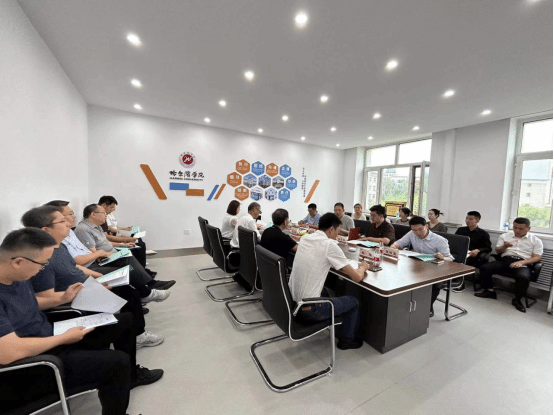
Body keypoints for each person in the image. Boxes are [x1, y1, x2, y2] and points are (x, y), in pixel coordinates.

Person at [0, 228, 163, 415]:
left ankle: (131, 377)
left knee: (123, 321)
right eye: (42, 265)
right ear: (18, 262)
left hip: (49, 335)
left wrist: (63, 298)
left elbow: (30, 302)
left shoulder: (16, 276)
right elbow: (7, 353)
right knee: (118, 362)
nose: (41, 270)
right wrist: (63, 338)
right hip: (32, 364)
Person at [21, 206, 164, 349]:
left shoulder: (59, 247)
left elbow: (75, 266)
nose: (69, 223)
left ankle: (138, 334)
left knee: (128, 290)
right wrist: (83, 290)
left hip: (87, 287)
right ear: (46, 230)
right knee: (126, 298)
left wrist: (97, 276)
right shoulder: (41, 259)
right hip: (77, 299)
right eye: (62, 221)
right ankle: (135, 331)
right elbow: (47, 298)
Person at [289, 213, 370, 350]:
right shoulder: (329, 245)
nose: (338, 235)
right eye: (338, 231)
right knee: (353, 302)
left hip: (293, 304)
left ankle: (335, 321)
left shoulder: (305, 238)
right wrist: (363, 267)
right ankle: (347, 340)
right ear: (331, 229)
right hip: (309, 311)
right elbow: (357, 277)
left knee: (326, 291)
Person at [73, 204, 172, 303]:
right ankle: (149, 287)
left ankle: (146, 289)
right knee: (128, 262)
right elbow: (93, 252)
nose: (106, 215)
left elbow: (106, 243)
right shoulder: (83, 229)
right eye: (103, 213)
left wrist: (123, 244)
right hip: (101, 259)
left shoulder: (96, 226)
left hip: (110, 253)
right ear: (93, 214)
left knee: (129, 258)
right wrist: (107, 254)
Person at [474, 217, 543, 313]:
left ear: (529, 228)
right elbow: (498, 251)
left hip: (522, 262)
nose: (517, 230)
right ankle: (489, 291)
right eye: (515, 227)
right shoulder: (505, 236)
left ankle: (517, 300)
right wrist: (505, 246)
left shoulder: (536, 240)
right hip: (505, 260)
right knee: (485, 268)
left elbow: (537, 257)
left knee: (523, 277)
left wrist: (521, 262)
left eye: (521, 228)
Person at [392, 216, 454, 317]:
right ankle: (405, 302)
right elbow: (400, 243)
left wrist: (442, 258)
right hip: (418, 266)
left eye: (420, 229)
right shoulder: (412, 233)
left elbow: (450, 259)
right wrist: (394, 246)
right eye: (414, 230)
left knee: (435, 283)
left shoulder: (440, 240)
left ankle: (428, 306)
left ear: (427, 226)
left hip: (435, 269)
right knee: (400, 273)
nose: (417, 232)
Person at [454, 211, 492, 293]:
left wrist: (478, 250)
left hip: (474, 257)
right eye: (466, 218)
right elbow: (455, 241)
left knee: (462, 260)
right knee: (449, 257)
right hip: (461, 252)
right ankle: (449, 280)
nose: (467, 220)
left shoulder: (483, 234)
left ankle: (460, 284)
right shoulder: (461, 230)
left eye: (470, 219)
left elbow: (488, 248)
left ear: (477, 221)